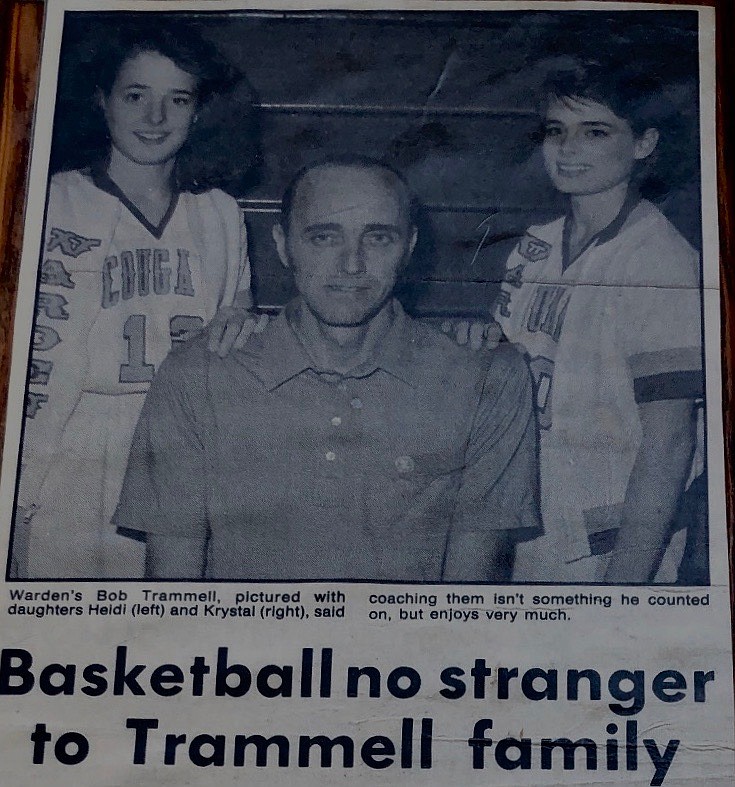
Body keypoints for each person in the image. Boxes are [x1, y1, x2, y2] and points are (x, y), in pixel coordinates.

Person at [114, 157, 542, 581]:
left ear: (409, 247)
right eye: (324, 237)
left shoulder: (486, 378)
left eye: (377, 238)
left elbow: (469, 602)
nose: (351, 264)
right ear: (283, 245)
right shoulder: (198, 375)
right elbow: (171, 595)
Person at [14, 23, 257, 579]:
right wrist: (23, 491)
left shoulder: (220, 212)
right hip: (74, 443)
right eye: (135, 96)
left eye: (178, 99)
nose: (155, 118)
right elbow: (43, 368)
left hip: (184, 440)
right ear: (100, 100)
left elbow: (238, 320)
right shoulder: (52, 200)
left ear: (201, 112)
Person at [492, 60, 703, 583]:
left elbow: (670, 441)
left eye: (595, 132)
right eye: (556, 131)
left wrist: (624, 590)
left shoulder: (658, 258)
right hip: (530, 520)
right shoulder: (534, 244)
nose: (568, 149)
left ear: (644, 143)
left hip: (613, 540)